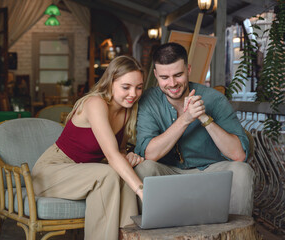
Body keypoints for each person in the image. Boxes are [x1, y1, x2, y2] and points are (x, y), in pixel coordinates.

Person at [31, 55, 145, 240]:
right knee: (108, 174)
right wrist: (142, 191)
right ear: (110, 83)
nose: (133, 93)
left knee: (124, 176)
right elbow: (111, 154)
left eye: (138, 87)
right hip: (52, 170)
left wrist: (127, 156)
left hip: (84, 173)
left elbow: (117, 151)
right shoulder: (95, 103)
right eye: (126, 87)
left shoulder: (127, 111)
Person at [134, 42, 255, 216]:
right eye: (164, 77)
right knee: (143, 169)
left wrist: (204, 118)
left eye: (178, 75)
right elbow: (150, 154)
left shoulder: (214, 99)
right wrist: (186, 118)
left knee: (242, 172)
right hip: (168, 173)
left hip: (209, 171)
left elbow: (239, 155)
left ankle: (236, 233)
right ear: (155, 75)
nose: (172, 83)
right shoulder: (149, 100)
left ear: (188, 70)